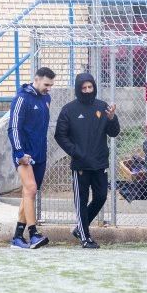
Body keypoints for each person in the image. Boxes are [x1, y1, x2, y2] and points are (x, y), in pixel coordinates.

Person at [54, 73, 120, 249]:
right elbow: (60, 135)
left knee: (100, 197)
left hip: (99, 163)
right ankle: (85, 237)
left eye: (90, 87)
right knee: (81, 200)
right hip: (80, 165)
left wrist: (112, 118)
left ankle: (80, 229)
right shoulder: (69, 110)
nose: (87, 91)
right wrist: (75, 152)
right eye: (84, 88)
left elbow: (114, 132)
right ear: (78, 89)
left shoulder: (103, 107)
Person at [7, 67, 56, 249]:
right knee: (31, 189)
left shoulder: (46, 99)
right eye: (46, 84)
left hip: (40, 154)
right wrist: (20, 153)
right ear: (36, 79)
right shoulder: (22, 98)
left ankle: (17, 237)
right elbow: (13, 128)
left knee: (29, 193)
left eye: (51, 85)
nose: (49, 88)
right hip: (24, 154)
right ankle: (33, 233)